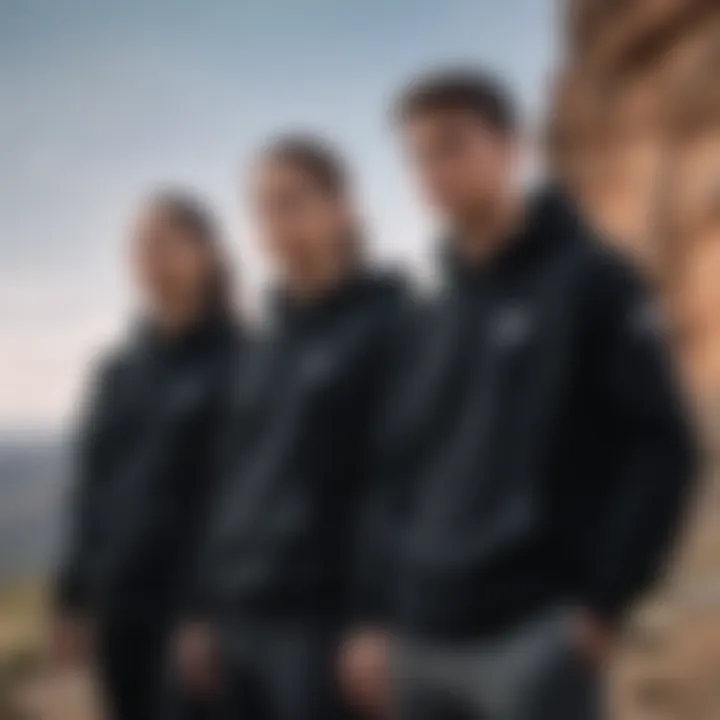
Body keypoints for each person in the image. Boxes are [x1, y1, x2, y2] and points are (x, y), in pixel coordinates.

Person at [341, 69, 697, 720]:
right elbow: (390, 472)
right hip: (419, 645)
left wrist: (602, 602)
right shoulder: (428, 314)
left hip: (533, 641)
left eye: (453, 146)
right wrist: (372, 617)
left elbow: (663, 447)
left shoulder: (594, 279)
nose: (434, 171)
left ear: (512, 147)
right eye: (420, 158)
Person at [174, 135, 405, 720]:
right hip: (235, 622)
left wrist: (375, 620)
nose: (279, 223)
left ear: (342, 208)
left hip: (326, 632)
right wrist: (200, 608)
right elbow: (225, 481)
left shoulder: (395, 324)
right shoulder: (260, 343)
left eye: (294, 201)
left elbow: (401, 486)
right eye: (265, 209)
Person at [52, 190, 243, 720]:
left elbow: (236, 500)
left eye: (166, 244)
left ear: (207, 254)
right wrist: (73, 600)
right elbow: (92, 489)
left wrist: (206, 612)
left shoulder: (244, 359)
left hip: (196, 617)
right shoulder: (118, 371)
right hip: (119, 606)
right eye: (140, 248)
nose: (152, 260)